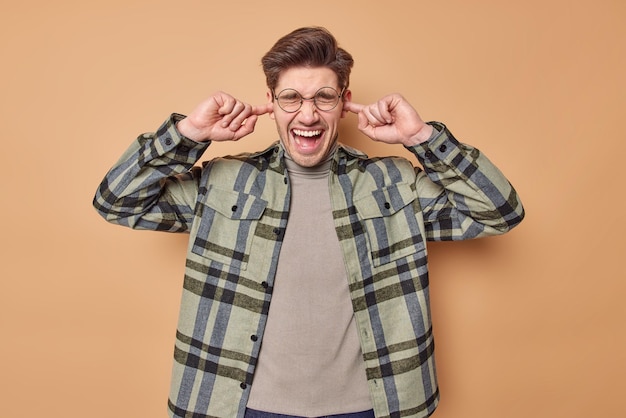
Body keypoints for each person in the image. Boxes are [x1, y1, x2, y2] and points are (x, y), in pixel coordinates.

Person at [93, 26, 524, 418]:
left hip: (372, 408)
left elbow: (499, 212)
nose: (308, 114)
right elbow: (117, 201)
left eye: (323, 97)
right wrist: (188, 134)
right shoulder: (223, 183)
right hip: (241, 407)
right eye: (292, 98)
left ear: (344, 101)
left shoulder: (392, 182)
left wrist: (421, 138)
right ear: (272, 101)